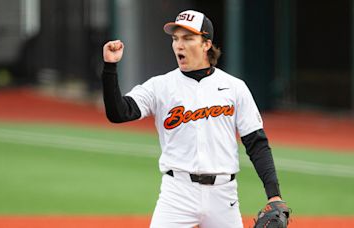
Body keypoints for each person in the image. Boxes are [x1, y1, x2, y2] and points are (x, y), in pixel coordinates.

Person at [101, 9, 287, 228]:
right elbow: (119, 113)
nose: (179, 45)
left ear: (206, 44)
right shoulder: (160, 85)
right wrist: (110, 67)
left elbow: (256, 143)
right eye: (175, 39)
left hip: (223, 195)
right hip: (177, 193)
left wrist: (273, 195)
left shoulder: (234, 87)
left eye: (188, 38)